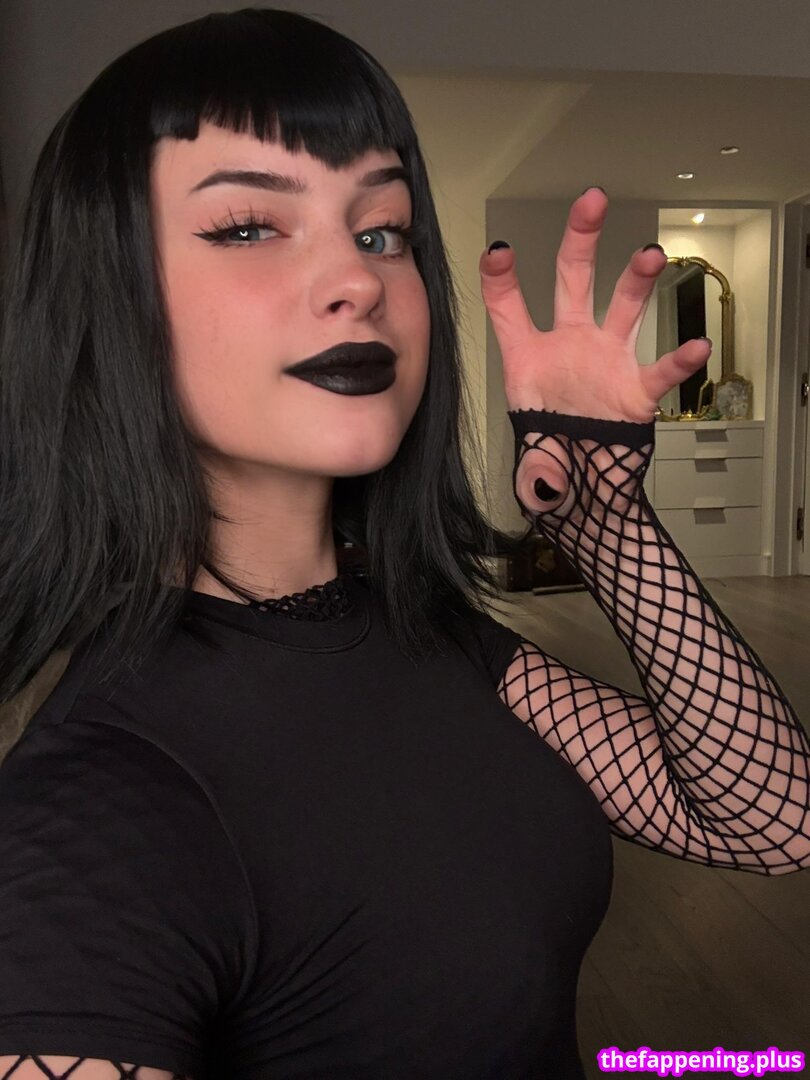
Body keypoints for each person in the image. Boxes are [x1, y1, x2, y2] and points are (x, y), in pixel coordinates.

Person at [0, 8, 807, 1080]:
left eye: (381, 230)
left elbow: (764, 821)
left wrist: (604, 521)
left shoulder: (427, 633)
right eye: (247, 227)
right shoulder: (91, 806)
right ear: (106, 293)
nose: (359, 278)